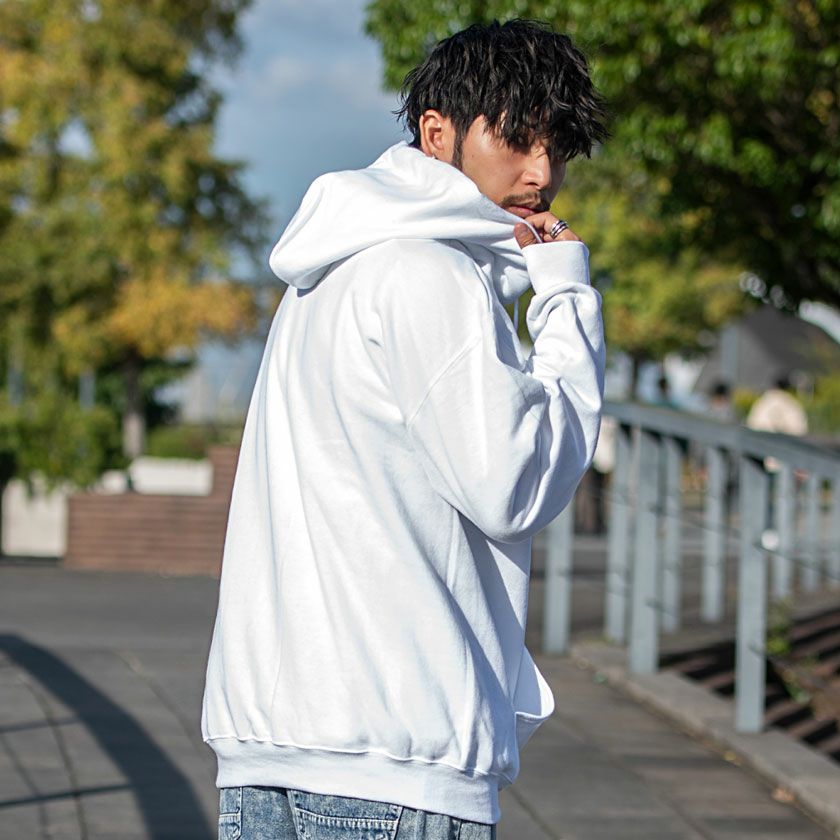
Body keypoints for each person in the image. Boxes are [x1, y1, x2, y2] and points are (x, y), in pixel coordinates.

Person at [201, 19, 608, 840]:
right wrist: (567, 302)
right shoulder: (429, 273)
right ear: (437, 133)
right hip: (392, 756)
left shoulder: (326, 275)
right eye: (517, 139)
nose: (541, 173)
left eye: (558, 148)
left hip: (269, 749)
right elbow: (515, 485)